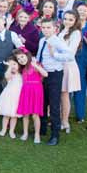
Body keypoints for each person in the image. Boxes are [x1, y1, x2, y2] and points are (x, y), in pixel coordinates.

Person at [37, 18, 74, 146]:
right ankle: (42, 129)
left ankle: (55, 135)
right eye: (44, 27)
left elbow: (70, 56)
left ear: (55, 29)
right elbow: (39, 56)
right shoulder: (42, 40)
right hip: (42, 74)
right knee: (42, 102)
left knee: (53, 104)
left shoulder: (58, 41)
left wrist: (55, 55)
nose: (46, 30)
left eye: (48, 27)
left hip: (54, 75)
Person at [14, 48, 47, 144]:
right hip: (26, 91)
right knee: (25, 114)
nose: (21, 60)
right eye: (19, 59)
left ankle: (37, 134)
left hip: (36, 91)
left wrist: (35, 65)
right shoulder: (22, 68)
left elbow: (45, 74)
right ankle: (25, 133)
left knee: (35, 115)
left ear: (27, 55)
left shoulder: (35, 64)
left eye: (22, 57)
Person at [57, 10, 82, 133]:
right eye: (65, 19)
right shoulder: (61, 30)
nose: (67, 21)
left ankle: (65, 121)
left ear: (75, 21)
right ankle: (57, 118)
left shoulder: (76, 33)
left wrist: (55, 54)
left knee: (65, 95)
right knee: (58, 94)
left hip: (67, 66)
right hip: (57, 65)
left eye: (70, 19)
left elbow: (70, 53)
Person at [0, 56, 23, 138]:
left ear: (19, 65)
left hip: (17, 97)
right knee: (6, 115)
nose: (13, 66)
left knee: (14, 116)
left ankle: (11, 131)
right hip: (9, 97)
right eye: (10, 64)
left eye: (14, 64)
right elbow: (7, 76)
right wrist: (9, 67)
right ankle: (4, 129)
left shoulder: (21, 75)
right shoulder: (9, 74)